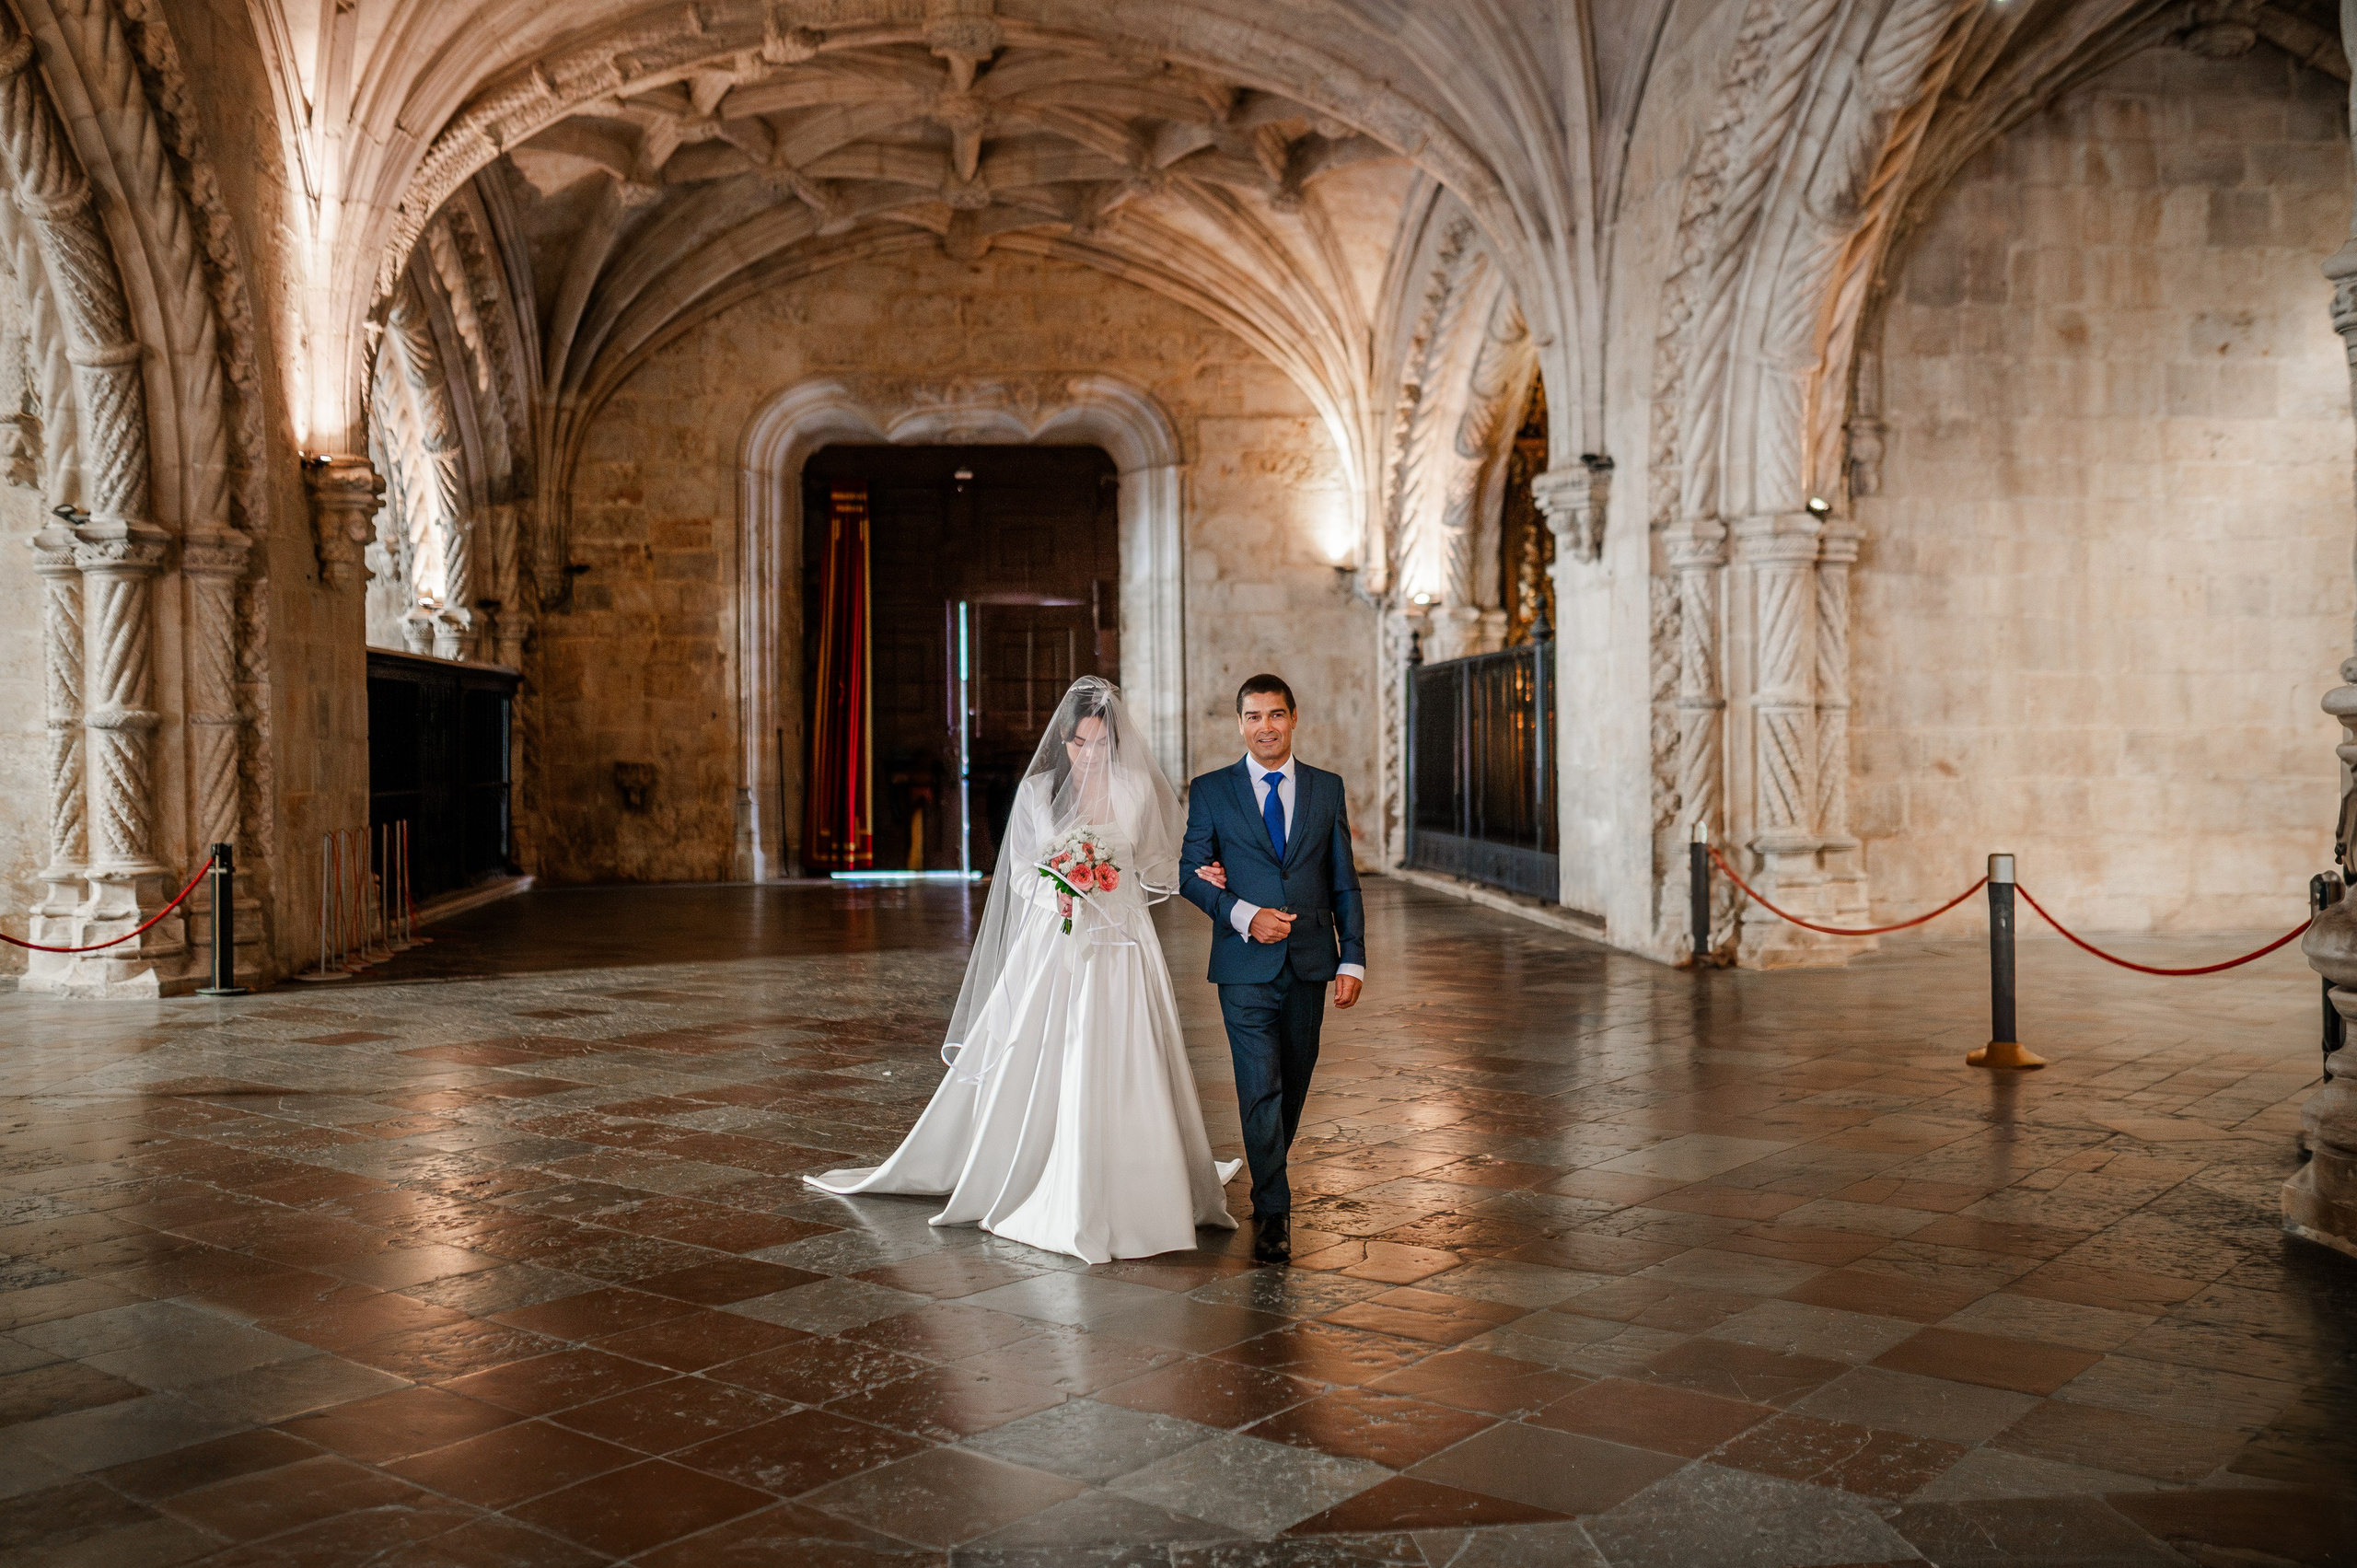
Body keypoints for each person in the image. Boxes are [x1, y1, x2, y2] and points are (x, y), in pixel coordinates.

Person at [805, 677, 1240, 1264]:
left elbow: (1158, 864)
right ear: (1064, 744)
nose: (1090, 756)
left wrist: (1190, 875)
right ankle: (1037, 1159)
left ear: (1116, 742)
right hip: (1056, 939)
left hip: (1124, 942)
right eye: (1080, 744)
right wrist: (1067, 883)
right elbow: (1020, 875)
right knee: (1051, 1046)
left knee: (1129, 1050)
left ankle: (1140, 1172)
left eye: (1101, 745)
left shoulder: (1137, 790)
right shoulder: (1038, 794)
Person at [1180, 675, 1365, 1263]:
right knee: (1260, 1083)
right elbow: (1189, 872)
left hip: (1311, 960)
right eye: (1254, 716)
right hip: (1243, 964)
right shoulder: (1212, 790)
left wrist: (1352, 955)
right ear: (1240, 723)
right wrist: (1242, 913)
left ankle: (1268, 1172)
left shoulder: (1326, 789)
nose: (1266, 726)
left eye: (1276, 715)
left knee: (1294, 1079)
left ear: (1293, 718)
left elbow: (1343, 880)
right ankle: (1273, 1208)